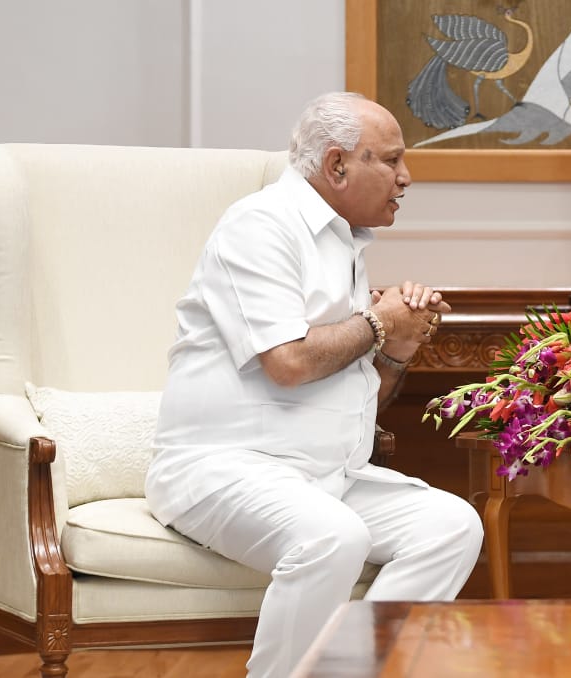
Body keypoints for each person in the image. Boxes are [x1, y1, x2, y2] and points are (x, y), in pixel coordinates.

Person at [145, 92, 483, 678]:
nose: (407, 178)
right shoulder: (261, 225)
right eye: (393, 160)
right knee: (335, 536)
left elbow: (353, 398)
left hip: (326, 476)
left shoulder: (345, 241)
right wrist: (381, 323)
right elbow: (290, 363)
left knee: (452, 526)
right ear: (337, 165)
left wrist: (397, 350)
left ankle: (348, 674)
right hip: (222, 468)